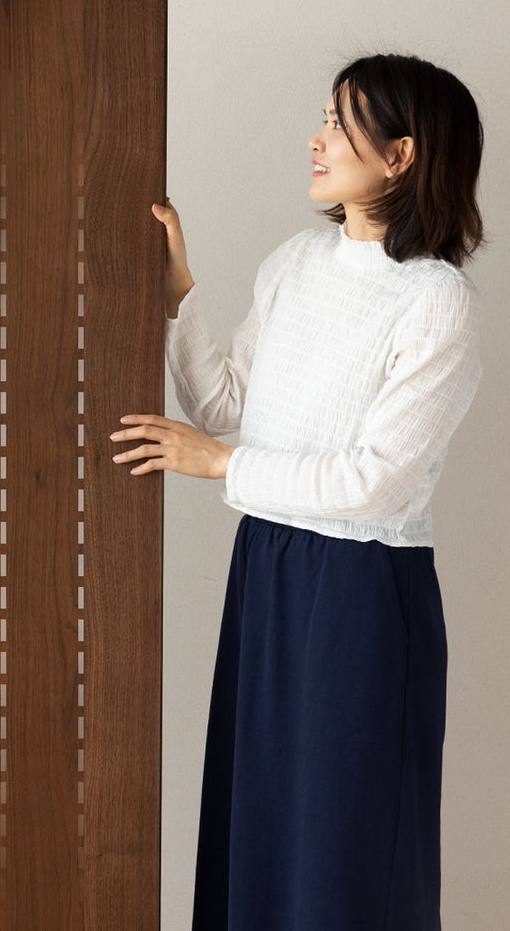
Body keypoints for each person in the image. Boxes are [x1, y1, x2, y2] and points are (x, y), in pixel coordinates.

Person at [108, 52, 486, 930]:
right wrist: (178, 296)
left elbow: (379, 481)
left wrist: (221, 467)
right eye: (324, 117)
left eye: (340, 123)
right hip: (271, 568)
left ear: (400, 156)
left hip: (360, 588)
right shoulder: (297, 261)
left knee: (342, 845)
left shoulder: (436, 301)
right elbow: (231, 406)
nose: (316, 138)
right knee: (263, 818)